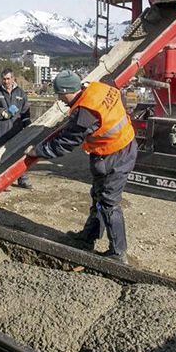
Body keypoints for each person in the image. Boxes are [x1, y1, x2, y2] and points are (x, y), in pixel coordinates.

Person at [25, 70, 137, 263]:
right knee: (98, 196)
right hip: (119, 146)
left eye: (60, 95)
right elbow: (118, 95)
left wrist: (37, 151)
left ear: (67, 91)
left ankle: (118, 253)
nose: (59, 100)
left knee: (109, 202)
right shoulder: (99, 87)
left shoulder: (85, 113)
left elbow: (65, 143)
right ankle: (88, 238)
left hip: (114, 153)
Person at [0, 68, 33, 189]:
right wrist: (1, 112)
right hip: (1, 130)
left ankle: (23, 179)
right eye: (4, 79)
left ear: (13, 78)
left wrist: (28, 126)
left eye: (8, 79)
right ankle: (2, 181)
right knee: (0, 156)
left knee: (20, 154)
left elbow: (25, 113)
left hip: (17, 129)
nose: (6, 81)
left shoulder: (21, 93)